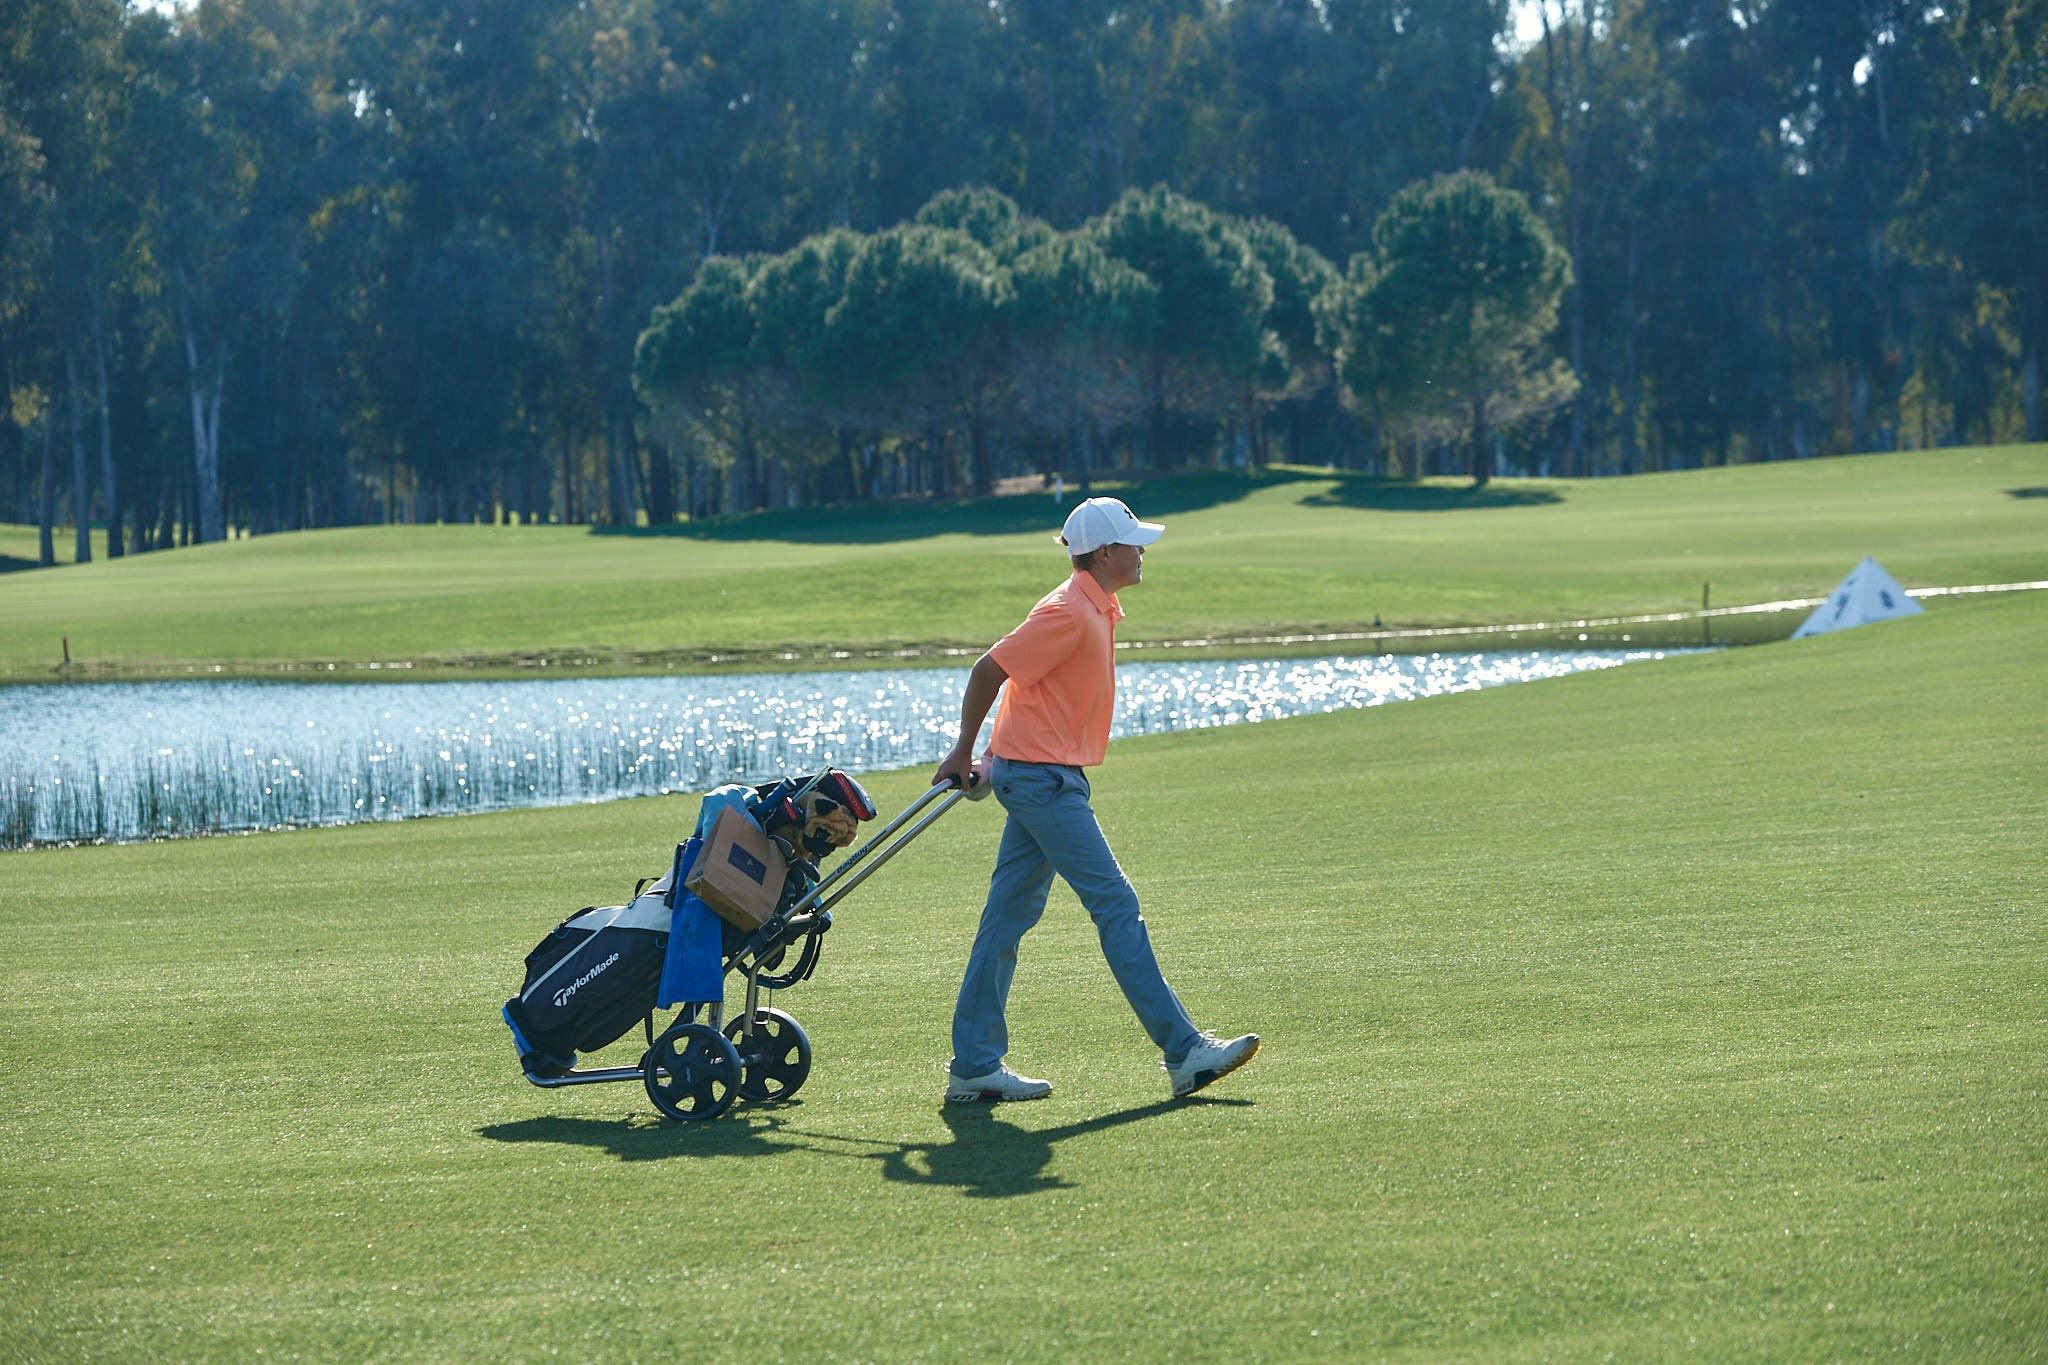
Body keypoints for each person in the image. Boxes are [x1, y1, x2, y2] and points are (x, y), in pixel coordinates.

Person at [932, 496, 1259, 1103]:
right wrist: (964, 752)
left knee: (1005, 921)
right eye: (1135, 544)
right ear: (1105, 553)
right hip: (1044, 784)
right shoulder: (1067, 610)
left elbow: (1031, 695)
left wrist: (991, 762)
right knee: (1115, 902)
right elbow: (990, 670)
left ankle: (974, 1066)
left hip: (1038, 775)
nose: (1143, 552)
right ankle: (1185, 1052)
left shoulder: (1096, 606)